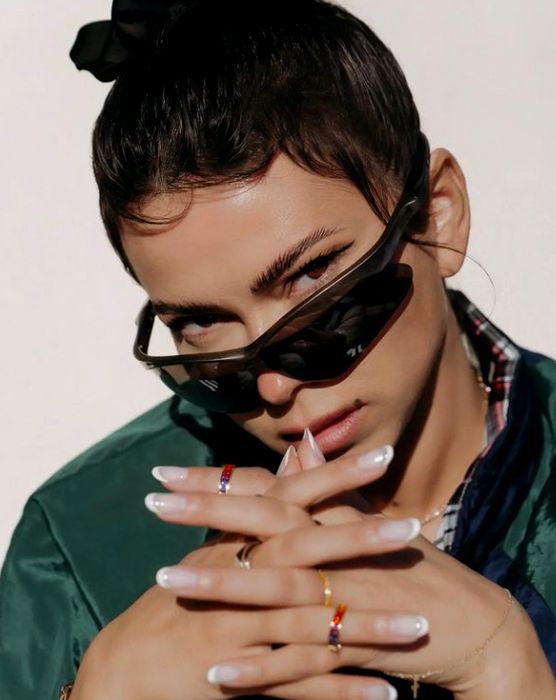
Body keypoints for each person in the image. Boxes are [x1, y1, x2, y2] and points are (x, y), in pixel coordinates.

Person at [0, 1, 555, 698]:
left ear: (437, 217)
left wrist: (511, 666)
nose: (271, 387)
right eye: (202, 325)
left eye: (314, 279)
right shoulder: (74, 548)